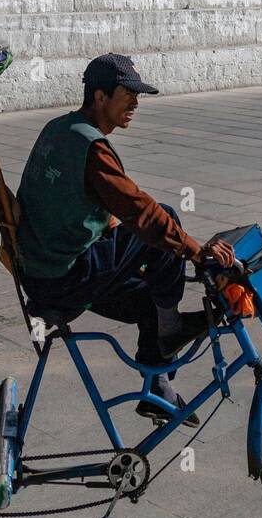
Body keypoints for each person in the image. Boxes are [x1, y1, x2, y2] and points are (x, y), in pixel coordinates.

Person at [16, 53, 236, 424]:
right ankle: (171, 329)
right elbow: (141, 212)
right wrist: (197, 253)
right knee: (164, 220)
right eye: (127, 94)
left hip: (43, 272)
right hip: (63, 276)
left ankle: (157, 389)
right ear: (99, 97)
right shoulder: (92, 148)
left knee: (151, 290)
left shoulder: (59, 128)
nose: (135, 103)